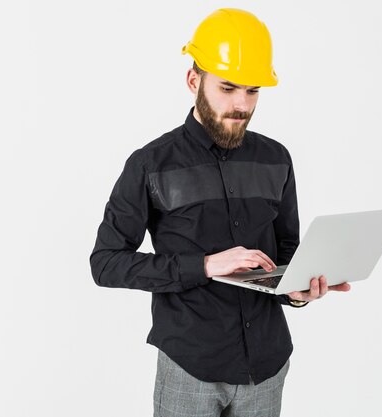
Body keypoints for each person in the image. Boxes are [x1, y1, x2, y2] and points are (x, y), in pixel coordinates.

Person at [90, 8, 350, 417]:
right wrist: (206, 265)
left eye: (252, 91)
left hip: (267, 366)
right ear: (194, 80)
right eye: (228, 88)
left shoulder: (276, 158)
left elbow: (286, 251)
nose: (241, 105)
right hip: (190, 368)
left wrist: (296, 290)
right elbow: (105, 264)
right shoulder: (150, 164)